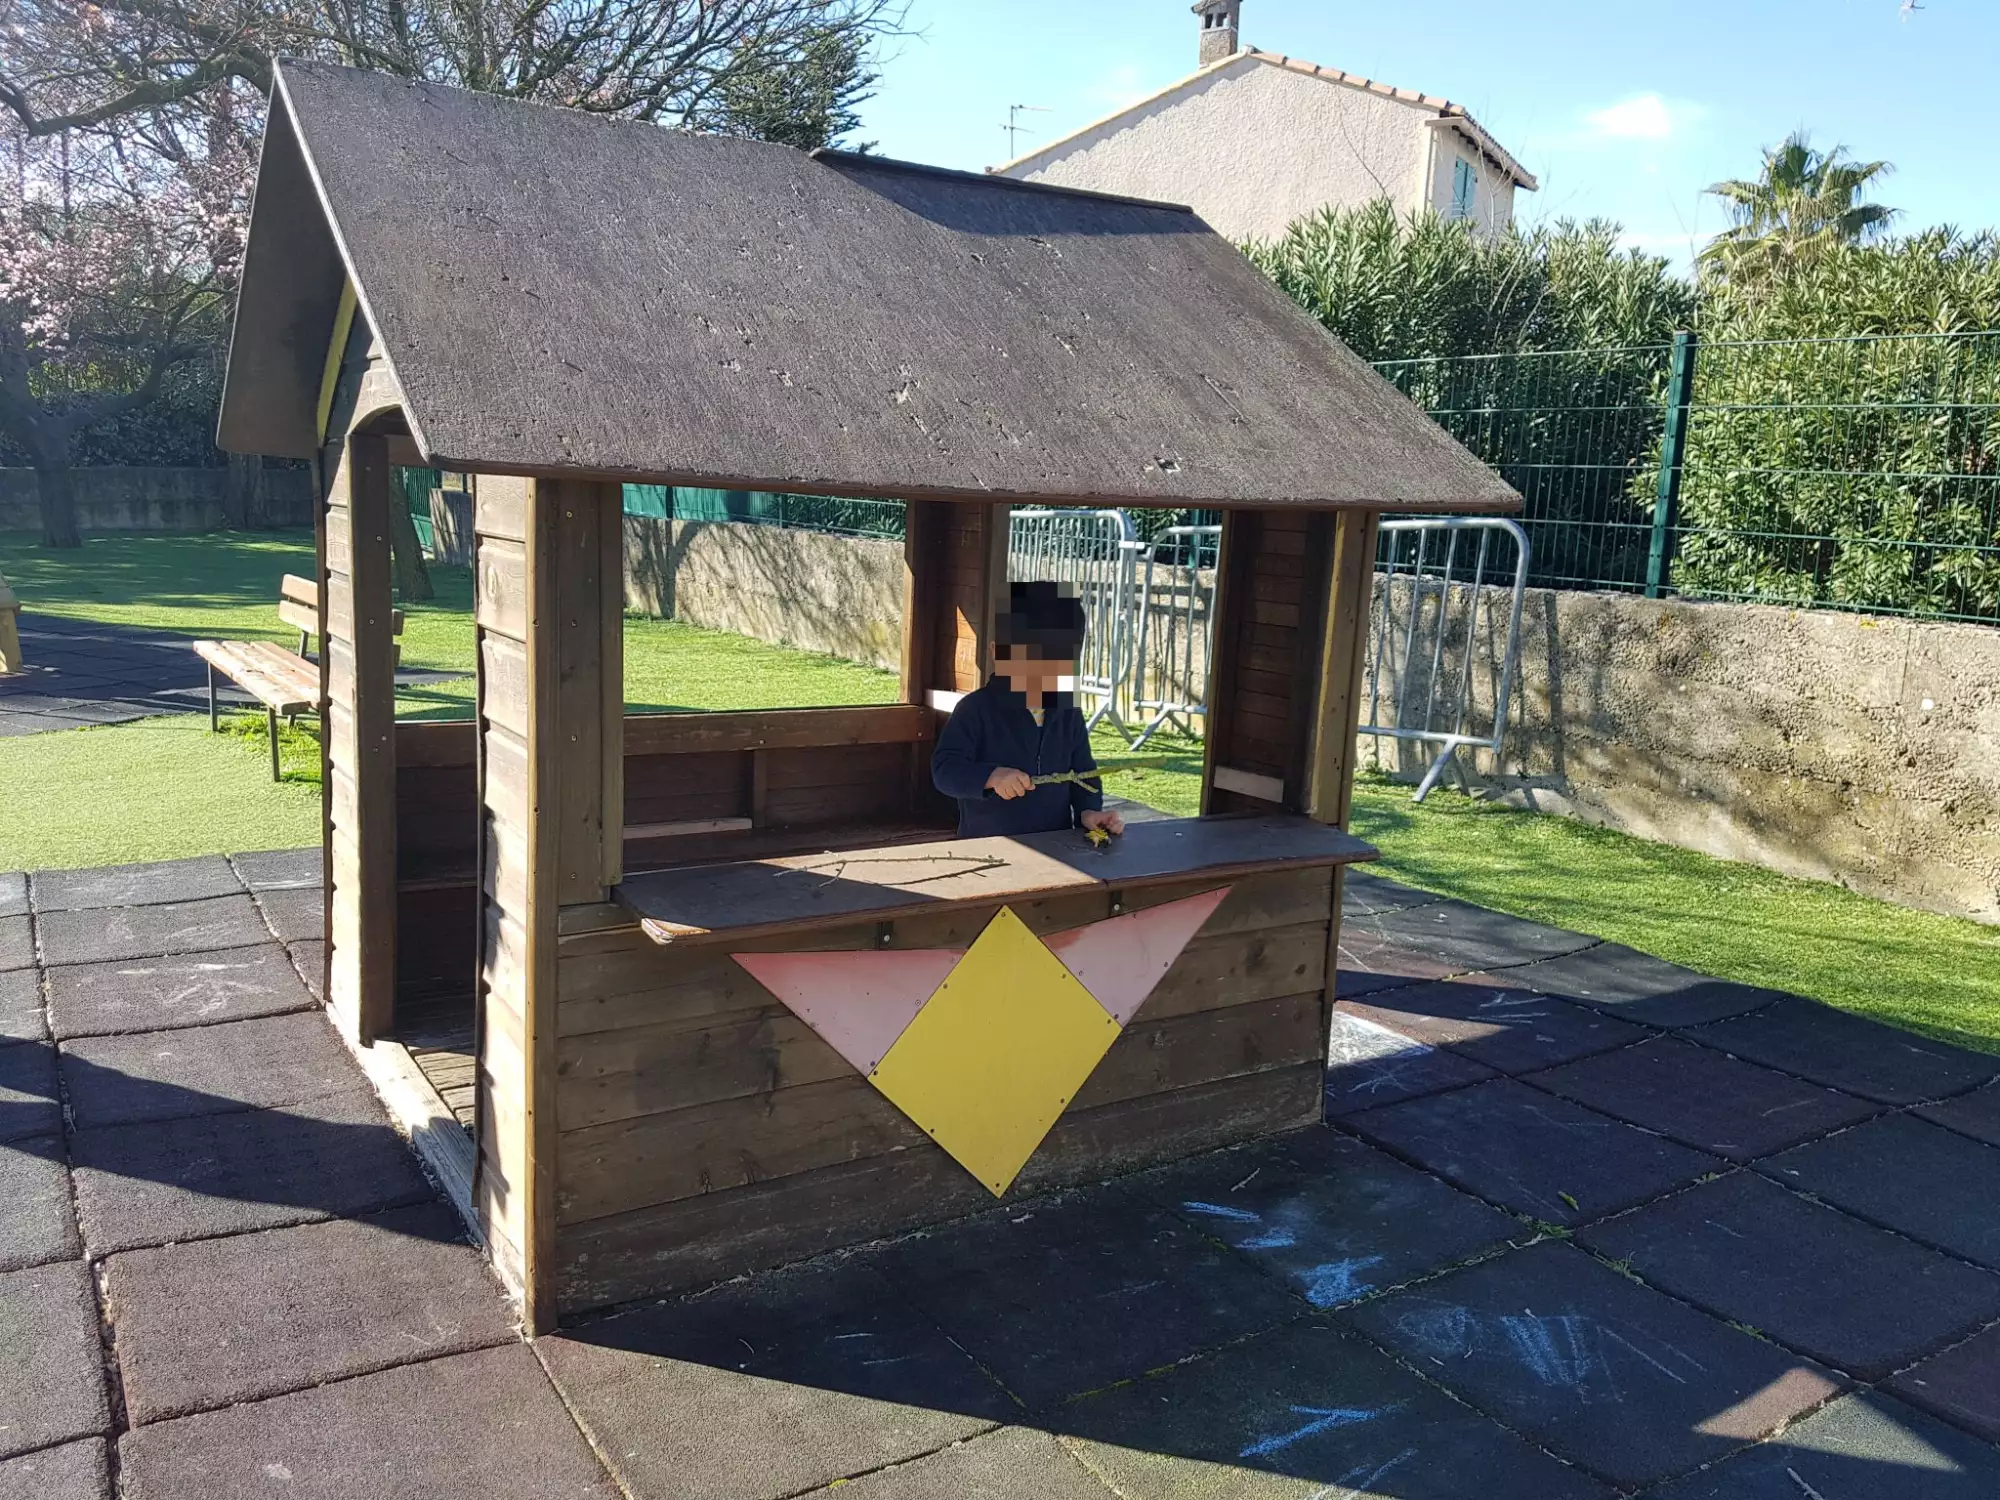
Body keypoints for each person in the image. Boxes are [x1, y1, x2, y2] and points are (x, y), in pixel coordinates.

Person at [931, 580, 1128, 840]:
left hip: (1054, 844)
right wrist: (991, 777)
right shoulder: (975, 709)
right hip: (988, 844)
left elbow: (1083, 774)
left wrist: (1088, 812)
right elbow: (945, 770)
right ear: (998, 653)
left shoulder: (1067, 712)